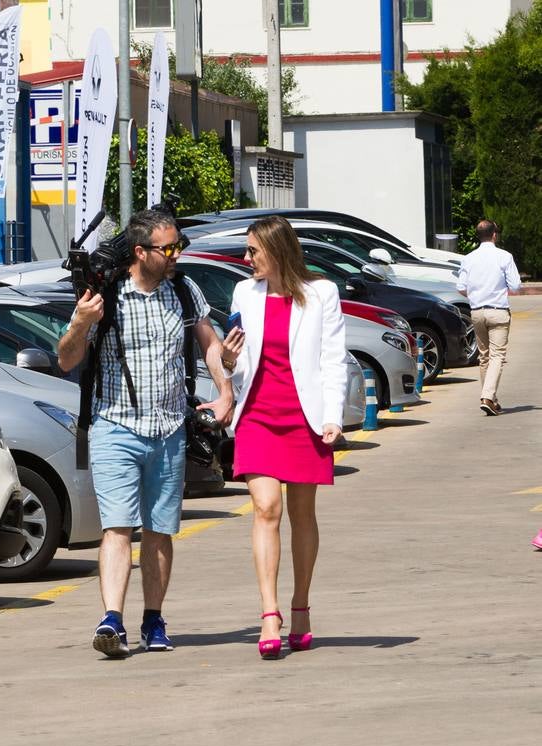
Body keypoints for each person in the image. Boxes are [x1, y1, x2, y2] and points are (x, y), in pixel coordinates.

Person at [57, 208, 234, 659]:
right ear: (140, 251)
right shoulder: (105, 294)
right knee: (118, 527)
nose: (177, 254)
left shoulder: (183, 289)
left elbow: (209, 344)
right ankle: (111, 621)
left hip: (170, 428)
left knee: (159, 530)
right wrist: (80, 323)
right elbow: (66, 359)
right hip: (115, 426)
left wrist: (225, 386)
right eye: (168, 248)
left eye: (179, 246)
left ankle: (153, 619)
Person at [220, 216, 348, 660]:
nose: (246, 258)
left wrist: (333, 415)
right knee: (265, 507)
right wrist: (227, 357)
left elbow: (334, 359)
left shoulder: (322, 293)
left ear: (277, 250)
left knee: (302, 514)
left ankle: (301, 607)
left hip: (304, 416)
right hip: (257, 413)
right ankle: (269, 613)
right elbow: (237, 363)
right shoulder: (243, 293)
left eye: (253, 250)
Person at [456, 219, 521, 416]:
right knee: (497, 356)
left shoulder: (468, 258)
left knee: (484, 357)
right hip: (498, 311)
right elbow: (516, 286)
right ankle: (487, 396)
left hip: (477, 312)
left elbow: (460, 287)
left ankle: (491, 399)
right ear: (494, 235)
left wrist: (476, 296)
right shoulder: (504, 256)